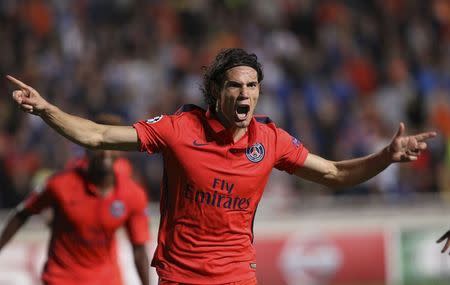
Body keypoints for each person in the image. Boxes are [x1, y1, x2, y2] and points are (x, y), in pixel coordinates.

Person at [7, 48, 436, 285]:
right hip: (181, 278)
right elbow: (98, 136)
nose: (245, 93)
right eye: (235, 85)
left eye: (252, 85)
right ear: (216, 90)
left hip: (236, 277)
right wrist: (46, 109)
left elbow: (337, 174)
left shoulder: (271, 140)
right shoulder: (179, 129)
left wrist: (385, 156)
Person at [0, 114, 151, 285]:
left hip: (107, 280)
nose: (105, 152)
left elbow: (139, 248)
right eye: (100, 145)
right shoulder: (60, 184)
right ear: (86, 148)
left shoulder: (133, 194)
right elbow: (23, 213)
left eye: (113, 145)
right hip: (62, 279)